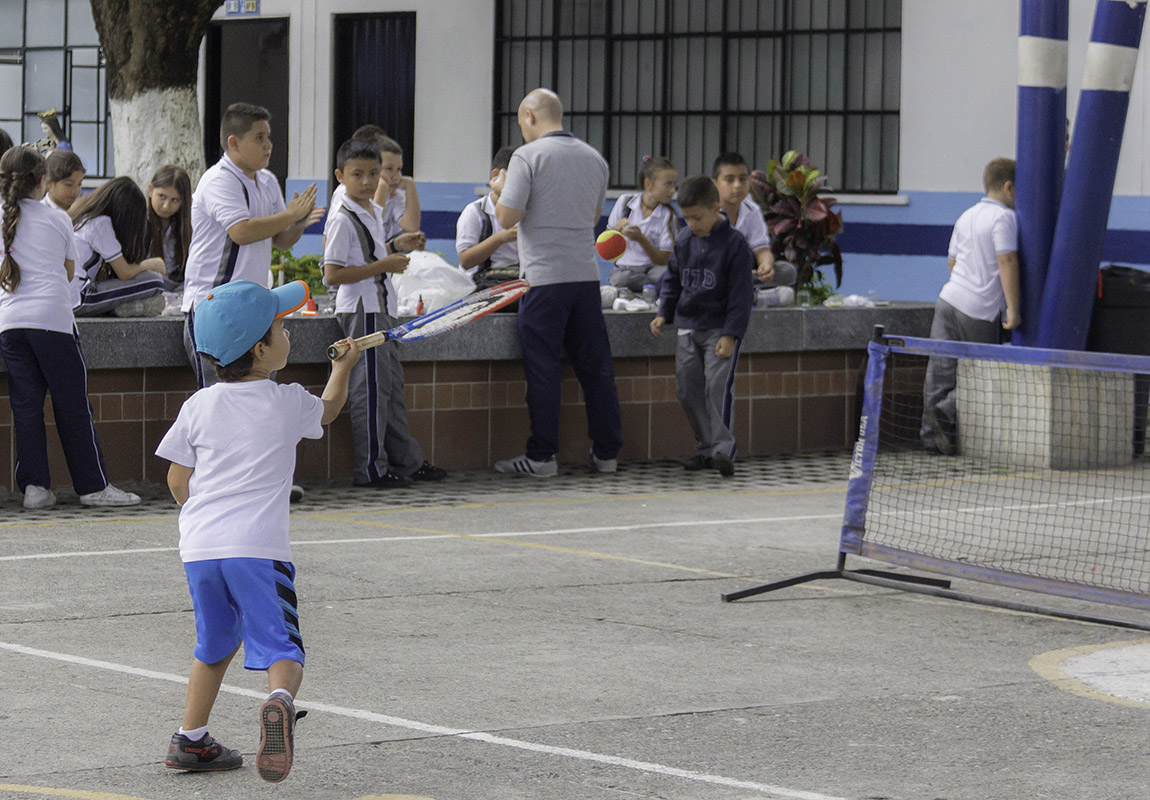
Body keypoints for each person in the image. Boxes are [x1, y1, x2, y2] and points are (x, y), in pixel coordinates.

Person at [156, 279, 360, 781]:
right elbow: (330, 411)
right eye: (281, 327)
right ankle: (279, 702)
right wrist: (342, 368)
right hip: (257, 548)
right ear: (260, 349)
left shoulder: (198, 405)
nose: (287, 331)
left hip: (200, 548)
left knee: (215, 644)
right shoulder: (286, 400)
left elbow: (176, 479)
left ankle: (191, 739)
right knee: (283, 648)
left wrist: (200, 513)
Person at [0, 145, 140, 508]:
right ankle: (93, 487)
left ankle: (34, 489)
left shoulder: (2, 219)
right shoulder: (57, 219)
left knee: (26, 407)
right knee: (72, 405)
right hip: (53, 323)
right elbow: (67, 273)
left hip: (10, 325)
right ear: (42, 181)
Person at [494, 88, 623, 477]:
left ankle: (541, 457)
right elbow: (596, 214)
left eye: (521, 124)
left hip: (543, 280)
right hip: (585, 278)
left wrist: (500, 190)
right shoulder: (595, 159)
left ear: (530, 116)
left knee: (544, 368)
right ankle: (606, 454)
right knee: (596, 369)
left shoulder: (527, 157)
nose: (523, 132)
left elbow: (506, 218)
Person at [323, 138, 445, 487]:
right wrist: (384, 263)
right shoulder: (343, 217)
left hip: (380, 307)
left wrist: (394, 247)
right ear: (340, 176)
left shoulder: (369, 211)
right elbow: (332, 274)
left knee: (388, 388)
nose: (366, 182)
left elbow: (365, 257)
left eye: (373, 174)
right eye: (357, 174)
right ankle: (371, 470)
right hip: (363, 310)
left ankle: (405, 461)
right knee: (370, 391)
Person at [181, 102, 323, 389]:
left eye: (268, 137)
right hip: (216, 308)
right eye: (260, 138)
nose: (269, 145)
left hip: (254, 308)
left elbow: (281, 240)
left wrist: (297, 224)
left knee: (259, 395)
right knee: (220, 398)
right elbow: (241, 232)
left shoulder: (267, 180)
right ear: (234, 142)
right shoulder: (218, 180)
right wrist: (289, 215)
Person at [649, 175, 754, 477]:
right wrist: (663, 312)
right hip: (687, 326)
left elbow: (741, 295)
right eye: (687, 218)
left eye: (698, 217)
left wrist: (731, 334)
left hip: (719, 329)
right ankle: (705, 447)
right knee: (687, 388)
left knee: (717, 387)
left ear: (715, 208)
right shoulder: (684, 239)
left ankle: (723, 451)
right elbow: (671, 280)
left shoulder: (735, 244)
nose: (692, 223)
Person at [921, 157, 1021, 454]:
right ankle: (946, 412)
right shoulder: (1004, 218)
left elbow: (952, 260)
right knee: (981, 375)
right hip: (979, 310)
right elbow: (1007, 260)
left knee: (939, 372)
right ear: (1009, 187)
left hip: (948, 300)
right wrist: (1013, 309)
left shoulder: (966, 215)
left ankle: (930, 437)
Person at [70, 176, 166, 317]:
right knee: (155, 281)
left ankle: (118, 306)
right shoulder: (100, 223)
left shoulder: (83, 215)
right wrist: (149, 264)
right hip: (79, 298)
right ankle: (126, 307)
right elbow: (124, 273)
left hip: (66, 297)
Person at [712, 152, 791, 288]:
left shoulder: (752, 210)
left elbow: (761, 250)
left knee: (787, 271)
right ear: (715, 183)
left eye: (743, 179)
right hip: (715, 271)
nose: (737, 185)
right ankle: (752, 293)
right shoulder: (708, 211)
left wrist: (766, 266)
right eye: (729, 180)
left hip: (746, 271)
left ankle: (748, 290)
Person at [606, 155, 678, 294]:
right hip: (625, 269)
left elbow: (663, 260)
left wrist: (641, 239)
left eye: (674, 184)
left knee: (664, 275)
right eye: (668, 184)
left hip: (653, 269)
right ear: (648, 184)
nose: (673, 190)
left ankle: (640, 288)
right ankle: (648, 288)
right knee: (623, 277)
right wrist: (616, 231)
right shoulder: (625, 202)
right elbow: (607, 249)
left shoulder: (669, 216)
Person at [456, 145, 520, 290]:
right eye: (516, 180)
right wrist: (500, 238)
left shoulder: (525, 212)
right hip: (480, 289)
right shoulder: (476, 212)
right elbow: (465, 260)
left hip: (516, 285)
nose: (520, 187)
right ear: (495, 176)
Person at [146, 165, 193, 292]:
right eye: (162, 196)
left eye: (175, 200)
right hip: (146, 283)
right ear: (150, 190)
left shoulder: (186, 225)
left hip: (176, 286)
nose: (166, 206)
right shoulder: (140, 222)